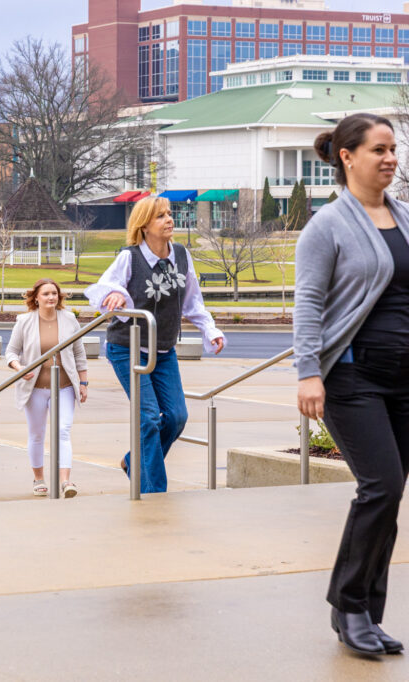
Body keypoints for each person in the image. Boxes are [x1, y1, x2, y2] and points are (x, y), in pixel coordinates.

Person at [295, 112, 409, 657]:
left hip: (404, 378)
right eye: (379, 149)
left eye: (393, 149)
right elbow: (309, 305)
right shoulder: (328, 226)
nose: (390, 158)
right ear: (347, 156)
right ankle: (349, 605)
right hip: (351, 376)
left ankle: (366, 611)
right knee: (380, 486)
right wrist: (308, 371)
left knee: (391, 496)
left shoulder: (405, 217)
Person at [86, 195, 225, 494]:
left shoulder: (182, 255)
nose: (169, 220)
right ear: (144, 225)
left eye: (169, 214)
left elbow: (193, 303)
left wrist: (209, 330)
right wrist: (115, 294)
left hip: (163, 350)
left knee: (176, 417)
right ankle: (153, 492)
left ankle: (132, 461)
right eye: (160, 216)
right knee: (148, 419)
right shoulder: (130, 257)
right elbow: (103, 287)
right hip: (128, 348)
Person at [6, 279, 88, 498]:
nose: (51, 297)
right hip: (35, 388)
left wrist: (83, 382)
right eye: (46, 294)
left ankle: (65, 482)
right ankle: (39, 479)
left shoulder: (69, 319)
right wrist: (19, 367)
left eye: (54, 293)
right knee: (37, 434)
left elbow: (79, 352)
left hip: (65, 386)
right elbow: (11, 352)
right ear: (36, 298)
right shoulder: (24, 321)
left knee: (63, 430)